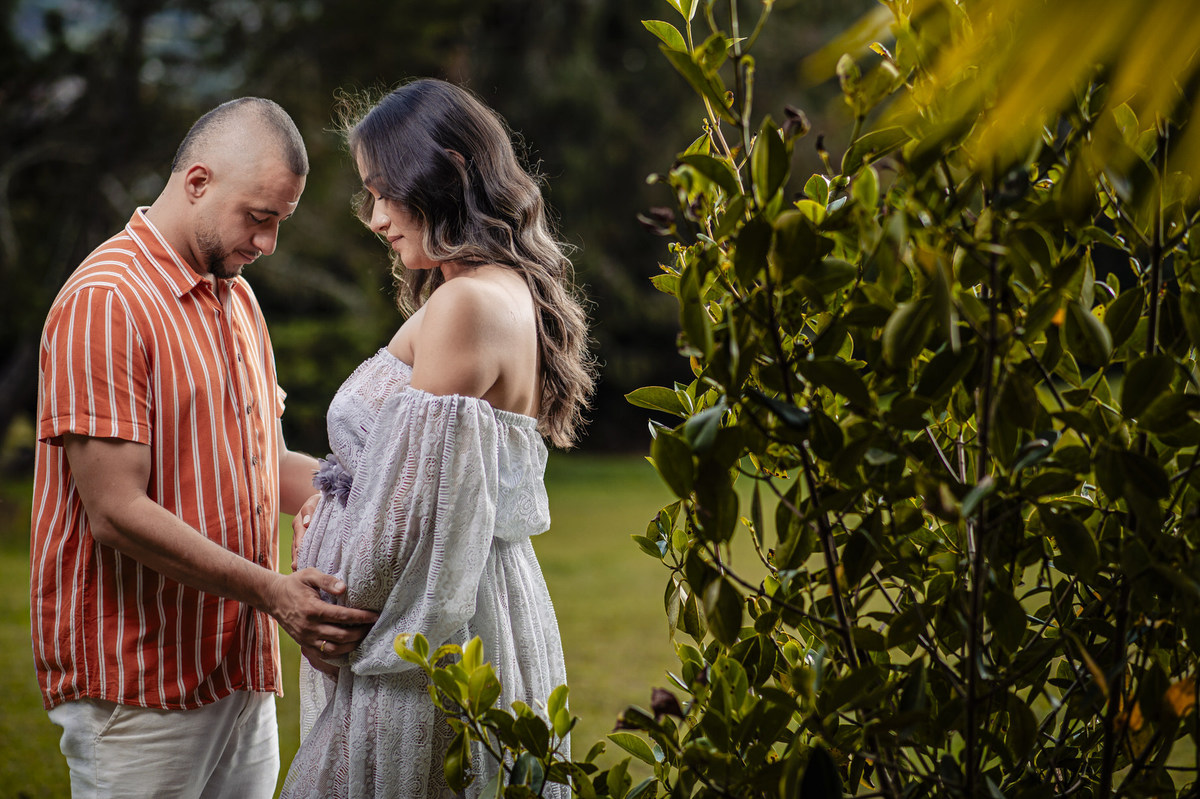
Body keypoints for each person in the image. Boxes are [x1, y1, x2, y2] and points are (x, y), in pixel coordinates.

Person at [30, 97, 379, 798]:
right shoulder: (108, 300)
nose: (269, 242)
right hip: (138, 685)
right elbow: (116, 510)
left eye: (280, 221)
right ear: (197, 182)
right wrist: (273, 591)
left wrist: (362, 494)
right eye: (259, 217)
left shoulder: (237, 300)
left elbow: (262, 462)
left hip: (236, 671)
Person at [280, 79, 596, 798]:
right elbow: (383, 479)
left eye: (384, 191)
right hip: (477, 603)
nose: (375, 217)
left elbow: (398, 528)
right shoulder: (495, 290)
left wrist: (329, 619)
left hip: (428, 628)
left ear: (447, 171)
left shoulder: (468, 305)